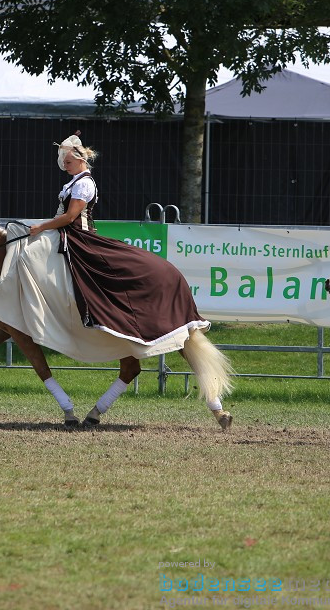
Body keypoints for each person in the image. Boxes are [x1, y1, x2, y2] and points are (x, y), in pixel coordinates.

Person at [24, 132, 230, 428]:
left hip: (79, 240)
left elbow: (71, 218)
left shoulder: (83, 183)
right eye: (63, 163)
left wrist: (40, 227)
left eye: (68, 161)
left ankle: (215, 405)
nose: (64, 166)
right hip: (66, 239)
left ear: (79, 160)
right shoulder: (73, 181)